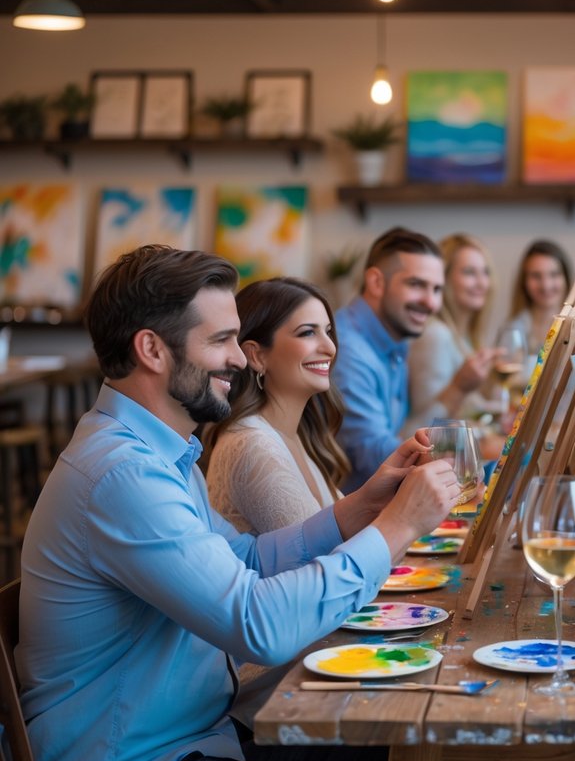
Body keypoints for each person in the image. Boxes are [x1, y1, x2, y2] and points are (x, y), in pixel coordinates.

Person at [17, 245, 459, 761]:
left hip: (199, 739)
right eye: (221, 340)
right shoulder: (124, 475)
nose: (239, 358)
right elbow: (257, 625)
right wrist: (398, 526)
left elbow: (247, 558)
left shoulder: (160, 453)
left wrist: (362, 507)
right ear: (152, 350)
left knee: (430, 746)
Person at [333, 227, 474, 490]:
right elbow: (376, 457)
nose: (431, 303)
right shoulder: (349, 352)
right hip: (356, 509)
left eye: (437, 289)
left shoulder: (395, 337)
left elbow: (399, 433)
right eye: (416, 284)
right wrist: (469, 457)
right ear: (376, 282)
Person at [204, 277, 349, 534]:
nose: (330, 347)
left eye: (328, 332)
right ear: (256, 356)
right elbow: (320, 552)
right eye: (308, 332)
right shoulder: (251, 443)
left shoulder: (296, 435)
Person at [404, 233, 500, 433]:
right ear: (443, 278)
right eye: (469, 272)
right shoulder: (435, 335)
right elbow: (426, 426)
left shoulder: (465, 335)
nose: (482, 282)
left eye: (485, 272)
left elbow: (466, 410)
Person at [504, 238, 574, 355]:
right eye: (536, 276)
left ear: (566, 279)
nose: (546, 285)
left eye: (554, 274)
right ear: (524, 282)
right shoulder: (512, 331)